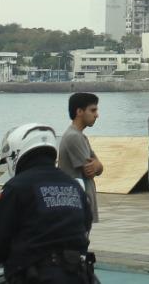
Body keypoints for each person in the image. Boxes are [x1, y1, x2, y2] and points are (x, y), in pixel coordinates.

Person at [0, 123, 95, 284]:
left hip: (35, 274)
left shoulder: (17, 188)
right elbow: (86, 224)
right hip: (78, 273)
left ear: (17, 154)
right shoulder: (73, 185)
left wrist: (2, 256)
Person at [58, 92, 103, 224]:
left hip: (80, 205)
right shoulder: (74, 137)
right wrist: (97, 165)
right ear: (79, 111)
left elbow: (98, 168)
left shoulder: (80, 136)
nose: (97, 115)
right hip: (78, 206)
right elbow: (90, 171)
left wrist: (98, 165)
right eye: (93, 110)